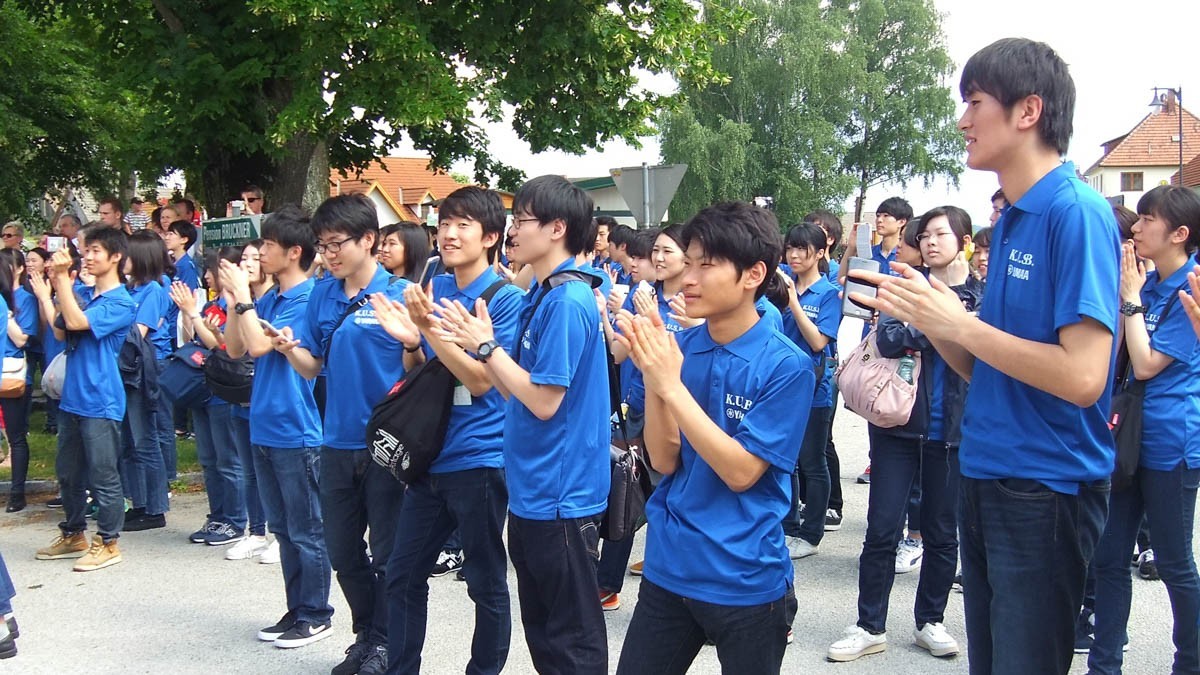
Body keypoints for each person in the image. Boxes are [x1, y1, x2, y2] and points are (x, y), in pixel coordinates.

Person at [850, 38, 1120, 674]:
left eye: (974, 103)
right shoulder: (1017, 220)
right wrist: (932, 316)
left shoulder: (1074, 213)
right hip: (989, 471)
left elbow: (1084, 376)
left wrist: (961, 326)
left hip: (1045, 485)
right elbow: (985, 367)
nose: (962, 121)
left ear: (1028, 111)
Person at [613, 201, 811, 674]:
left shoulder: (786, 365)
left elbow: (741, 472)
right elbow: (663, 460)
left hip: (745, 578)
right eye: (689, 263)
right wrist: (658, 377)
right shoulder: (680, 348)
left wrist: (669, 385)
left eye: (707, 265)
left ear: (753, 274)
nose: (689, 279)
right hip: (670, 567)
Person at [437, 175, 610, 674]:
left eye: (522, 220)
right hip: (535, 489)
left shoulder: (567, 301)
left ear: (557, 228)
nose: (513, 230)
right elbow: (514, 389)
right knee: (547, 637)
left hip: (562, 493)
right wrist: (479, 349)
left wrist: (485, 346)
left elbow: (544, 402)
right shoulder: (542, 293)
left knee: (571, 642)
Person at [373, 186, 523, 675]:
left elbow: (481, 380)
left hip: (479, 459)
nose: (449, 234)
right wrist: (411, 342)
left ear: (491, 237)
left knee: (484, 582)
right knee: (402, 574)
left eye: (463, 225)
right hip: (430, 455)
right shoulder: (435, 291)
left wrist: (431, 330)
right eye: (444, 224)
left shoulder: (505, 300)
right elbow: (422, 372)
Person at [828, 206, 982, 662]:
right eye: (925, 235)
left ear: (964, 242)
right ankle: (869, 625)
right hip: (897, 425)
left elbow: (983, 347)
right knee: (881, 529)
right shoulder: (903, 286)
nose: (930, 242)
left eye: (940, 234)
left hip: (953, 431)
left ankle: (930, 620)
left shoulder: (984, 294)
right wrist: (946, 324)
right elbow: (889, 339)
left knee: (942, 533)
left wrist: (932, 326)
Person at [265, 194, 411, 671]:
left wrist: (412, 341)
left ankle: (385, 643)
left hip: (387, 444)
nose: (327, 254)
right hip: (335, 441)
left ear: (368, 240)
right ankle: (366, 635)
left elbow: (420, 369)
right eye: (322, 245)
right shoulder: (323, 295)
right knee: (343, 551)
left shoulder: (400, 293)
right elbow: (313, 367)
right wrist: (288, 348)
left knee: (387, 553)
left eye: (335, 244)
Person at [1090, 185, 1200, 674]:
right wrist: (1128, 296)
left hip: (1171, 442)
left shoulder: (1191, 288)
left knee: (1174, 563)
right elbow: (1117, 355)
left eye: (1147, 219)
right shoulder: (1148, 283)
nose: (1135, 228)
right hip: (1127, 436)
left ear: (1179, 233)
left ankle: (1190, 662)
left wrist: (1131, 302)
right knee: (1109, 556)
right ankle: (1104, 664)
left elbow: (1149, 363)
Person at [222, 205, 334, 649]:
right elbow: (235, 348)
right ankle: (296, 608)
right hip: (264, 425)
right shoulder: (268, 299)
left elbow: (259, 346)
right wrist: (235, 301)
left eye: (268, 245)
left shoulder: (309, 299)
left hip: (296, 428)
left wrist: (243, 298)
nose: (260, 253)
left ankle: (317, 613)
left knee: (307, 529)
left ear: (294, 252)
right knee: (283, 529)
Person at [35, 228, 136, 571]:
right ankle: (74, 532)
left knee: (103, 475)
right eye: (86, 250)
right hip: (73, 397)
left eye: (94, 251)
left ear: (115, 257)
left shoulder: (121, 302)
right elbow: (60, 329)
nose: (87, 257)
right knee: (67, 473)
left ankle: (108, 542)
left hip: (101, 399)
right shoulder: (82, 293)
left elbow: (78, 322)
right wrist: (58, 287)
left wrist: (63, 279)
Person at [778, 223, 841, 559]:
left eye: (802, 249)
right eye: (790, 248)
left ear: (819, 253)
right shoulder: (780, 282)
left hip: (814, 388)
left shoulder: (828, 294)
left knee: (812, 462)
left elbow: (818, 341)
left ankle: (811, 532)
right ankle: (788, 527)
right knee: (784, 461)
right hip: (780, 384)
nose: (794, 255)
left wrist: (793, 302)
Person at [118, 232, 174, 532]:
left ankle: (155, 508)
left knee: (146, 439)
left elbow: (137, 333)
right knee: (128, 442)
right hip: (125, 369)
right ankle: (137, 502)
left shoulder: (153, 289)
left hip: (143, 368)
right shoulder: (129, 289)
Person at [0, 250, 36, 513]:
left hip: (13, 373)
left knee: (16, 434)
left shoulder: (25, 299)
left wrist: (8, 315)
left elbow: (23, 339)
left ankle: (17, 492)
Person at [838, 197, 912, 287]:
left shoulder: (907, 255)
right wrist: (851, 247)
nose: (879, 220)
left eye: (886, 215)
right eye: (878, 215)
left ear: (901, 222)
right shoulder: (869, 254)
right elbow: (842, 279)